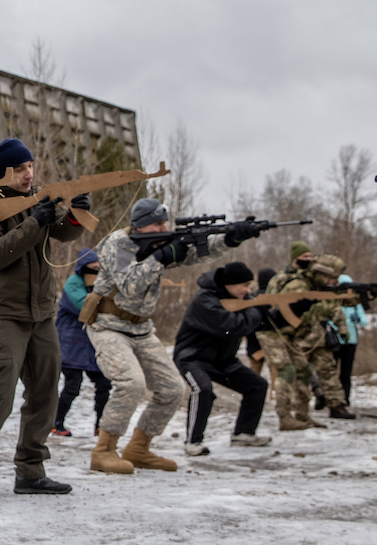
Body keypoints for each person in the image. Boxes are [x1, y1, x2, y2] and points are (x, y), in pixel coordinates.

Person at [0, 138, 85, 504]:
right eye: (21, 169)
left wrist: (75, 215)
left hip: (40, 311)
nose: (29, 175)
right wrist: (34, 223)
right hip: (2, 313)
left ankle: (31, 471)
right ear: (3, 172)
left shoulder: (35, 197)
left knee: (45, 391)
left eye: (31, 167)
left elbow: (62, 230)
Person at [87, 198, 258, 475]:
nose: (164, 228)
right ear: (142, 227)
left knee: (171, 389)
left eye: (165, 222)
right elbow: (129, 286)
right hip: (108, 325)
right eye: (158, 224)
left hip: (141, 329)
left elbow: (197, 252)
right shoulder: (118, 244)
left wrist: (231, 238)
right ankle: (104, 451)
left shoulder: (158, 243)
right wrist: (160, 257)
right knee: (130, 383)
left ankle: (139, 448)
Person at [172, 261, 272, 455]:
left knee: (257, 385)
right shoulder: (205, 300)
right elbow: (231, 327)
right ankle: (192, 442)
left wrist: (281, 309)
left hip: (222, 360)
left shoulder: (241, 299)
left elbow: (261, 324)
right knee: (203, 390)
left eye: (249, 285)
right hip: (193, 357)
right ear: (229, 284)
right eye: (244, 285)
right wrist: (256, 309)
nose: (247, 290)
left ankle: (243, 434)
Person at [256, 253, 354, 427]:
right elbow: (298, 314)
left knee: (304, 372)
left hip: (290, 335)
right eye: (330, 278)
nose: (333, 281)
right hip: (272, 332)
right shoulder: (298, 286)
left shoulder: (315, 287)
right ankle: (285, 417)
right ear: (319, 274)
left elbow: (331, 309)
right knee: (287, 371)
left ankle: (302, 415)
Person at [52, 248, 111, 437]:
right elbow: (84, 307)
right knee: (72, 386)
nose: (96, 271)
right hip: (71, 345)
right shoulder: (73, 284)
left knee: (103, 384)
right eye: (93, 268)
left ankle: (100, 426)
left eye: (99, 268)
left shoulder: (98, 284)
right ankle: (56, 423)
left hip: (92, 345)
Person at [334, 273, 368, 408]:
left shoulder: (354, 302)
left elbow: (364, 321)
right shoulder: (334, 301)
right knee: (330, 370)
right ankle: (330, 398)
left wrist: (357, 319)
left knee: (346, 371)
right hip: (335, 340)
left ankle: (345, 398)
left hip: (351, 340)